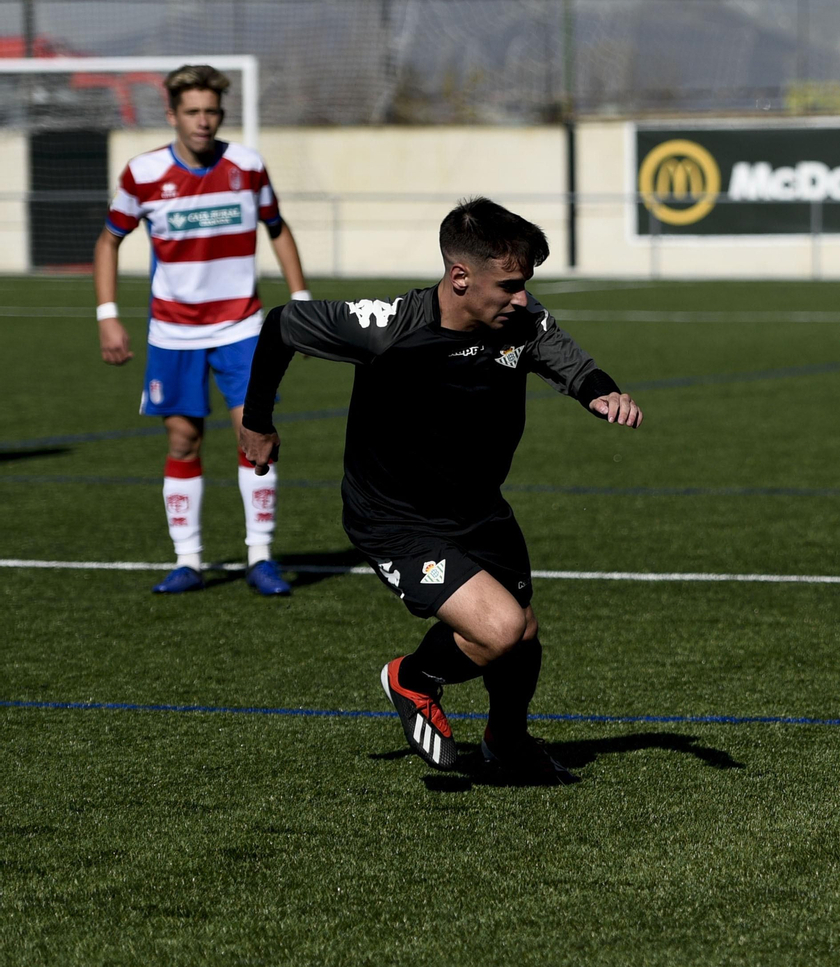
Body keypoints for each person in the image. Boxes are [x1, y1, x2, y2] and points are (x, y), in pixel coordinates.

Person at [239, 198, 640, 782]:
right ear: (459, 277)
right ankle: (414, 678)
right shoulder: (388, 328)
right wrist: (257, 421)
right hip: (394, 518)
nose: (522, 297)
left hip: (478, 508)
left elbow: (570, 362)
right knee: (499, 628)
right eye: (508, 284)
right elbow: (280, 325)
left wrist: (602, 393)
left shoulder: (522, 321)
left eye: (525, 284)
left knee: (523, 634)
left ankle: (507, 741)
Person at [93, 63, 310, 596]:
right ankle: (187, 560)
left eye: (212, 111)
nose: (204, 121)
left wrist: (301, 301)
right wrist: (107, 316)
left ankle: (260, 556)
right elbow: (108, 241)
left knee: (253, 434)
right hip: (172, 331)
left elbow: (277, 230)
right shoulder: (141, 174)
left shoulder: (247, 166)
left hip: (241, 325)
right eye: (192, 111)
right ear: (172, 114)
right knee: (183, 439)